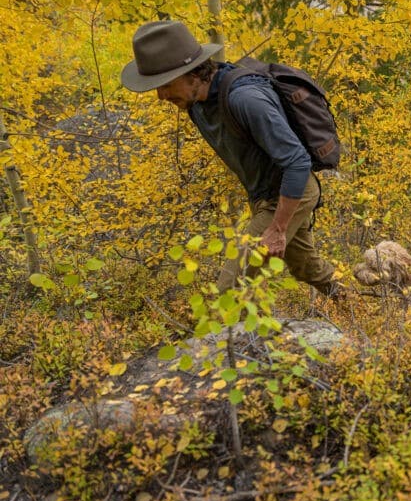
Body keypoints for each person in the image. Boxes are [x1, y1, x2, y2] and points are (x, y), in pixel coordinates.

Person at [120, 20, 343, 301]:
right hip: (264, 194)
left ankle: (221, 344)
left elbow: (297, 162)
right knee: (306, 267)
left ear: (192, 73)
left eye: (165, 85)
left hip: (289, 191)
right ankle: (353, 304)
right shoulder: (198, 102)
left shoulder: (245, 99)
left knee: (231, 287)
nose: (160, 95)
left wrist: (277, 227)